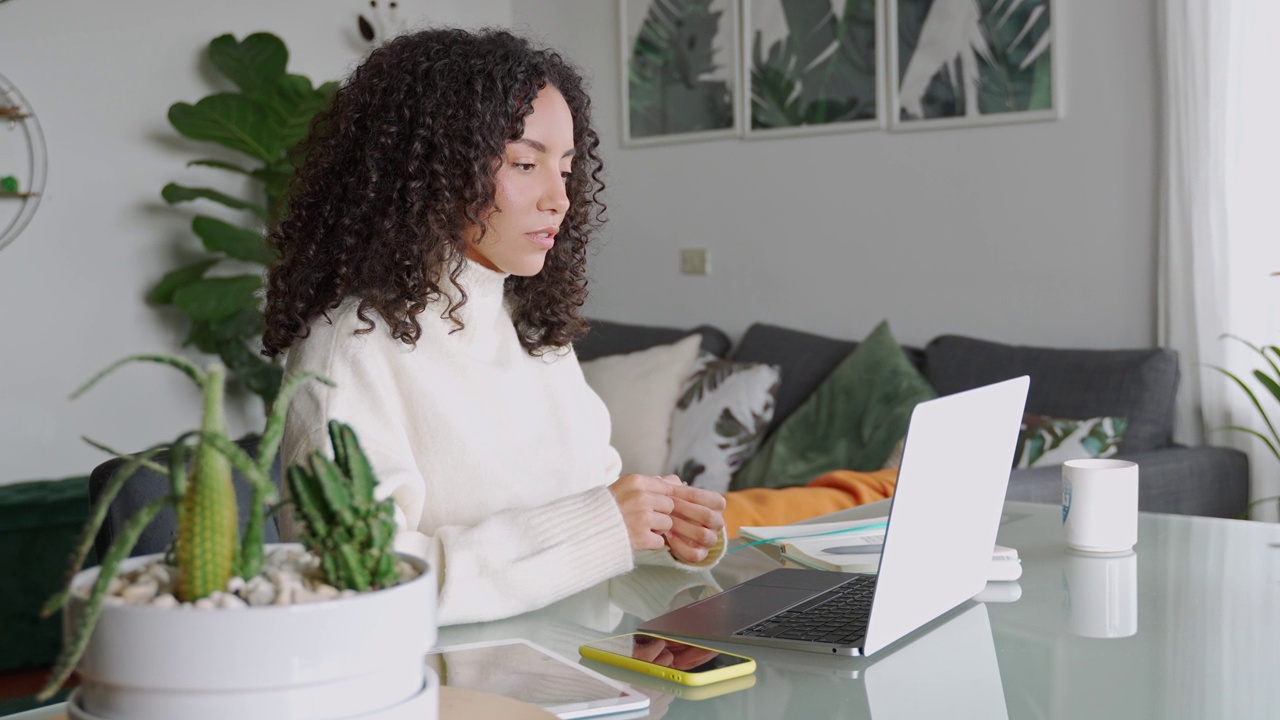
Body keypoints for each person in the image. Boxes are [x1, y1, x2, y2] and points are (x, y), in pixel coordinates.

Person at [262, 28, 727, 626]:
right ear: (431, 168)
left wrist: (669, 530)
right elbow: (358, 578)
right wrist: (604, 525)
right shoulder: (349, 343)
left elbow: (600, 513)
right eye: (526, 163)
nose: (559, 198)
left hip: (588, 676)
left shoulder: (533, 330)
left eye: (566, 168)